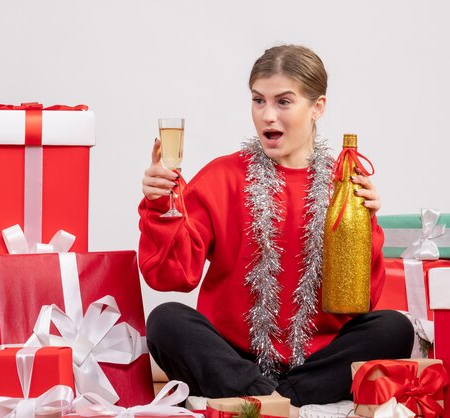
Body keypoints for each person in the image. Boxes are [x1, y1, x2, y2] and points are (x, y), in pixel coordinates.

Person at [138, 44, 413, 415]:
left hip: (319, 358)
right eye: (258, 100)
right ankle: (282, 400)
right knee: (166, 320)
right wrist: (160, 207)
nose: (268, 115)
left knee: (395, 327)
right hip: (234, 355)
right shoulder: (221, 177)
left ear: (317, 107)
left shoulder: (343, 185)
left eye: (284, 102)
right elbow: (174, 276)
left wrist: (366, 227)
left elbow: (363, 300)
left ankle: (267, 401)